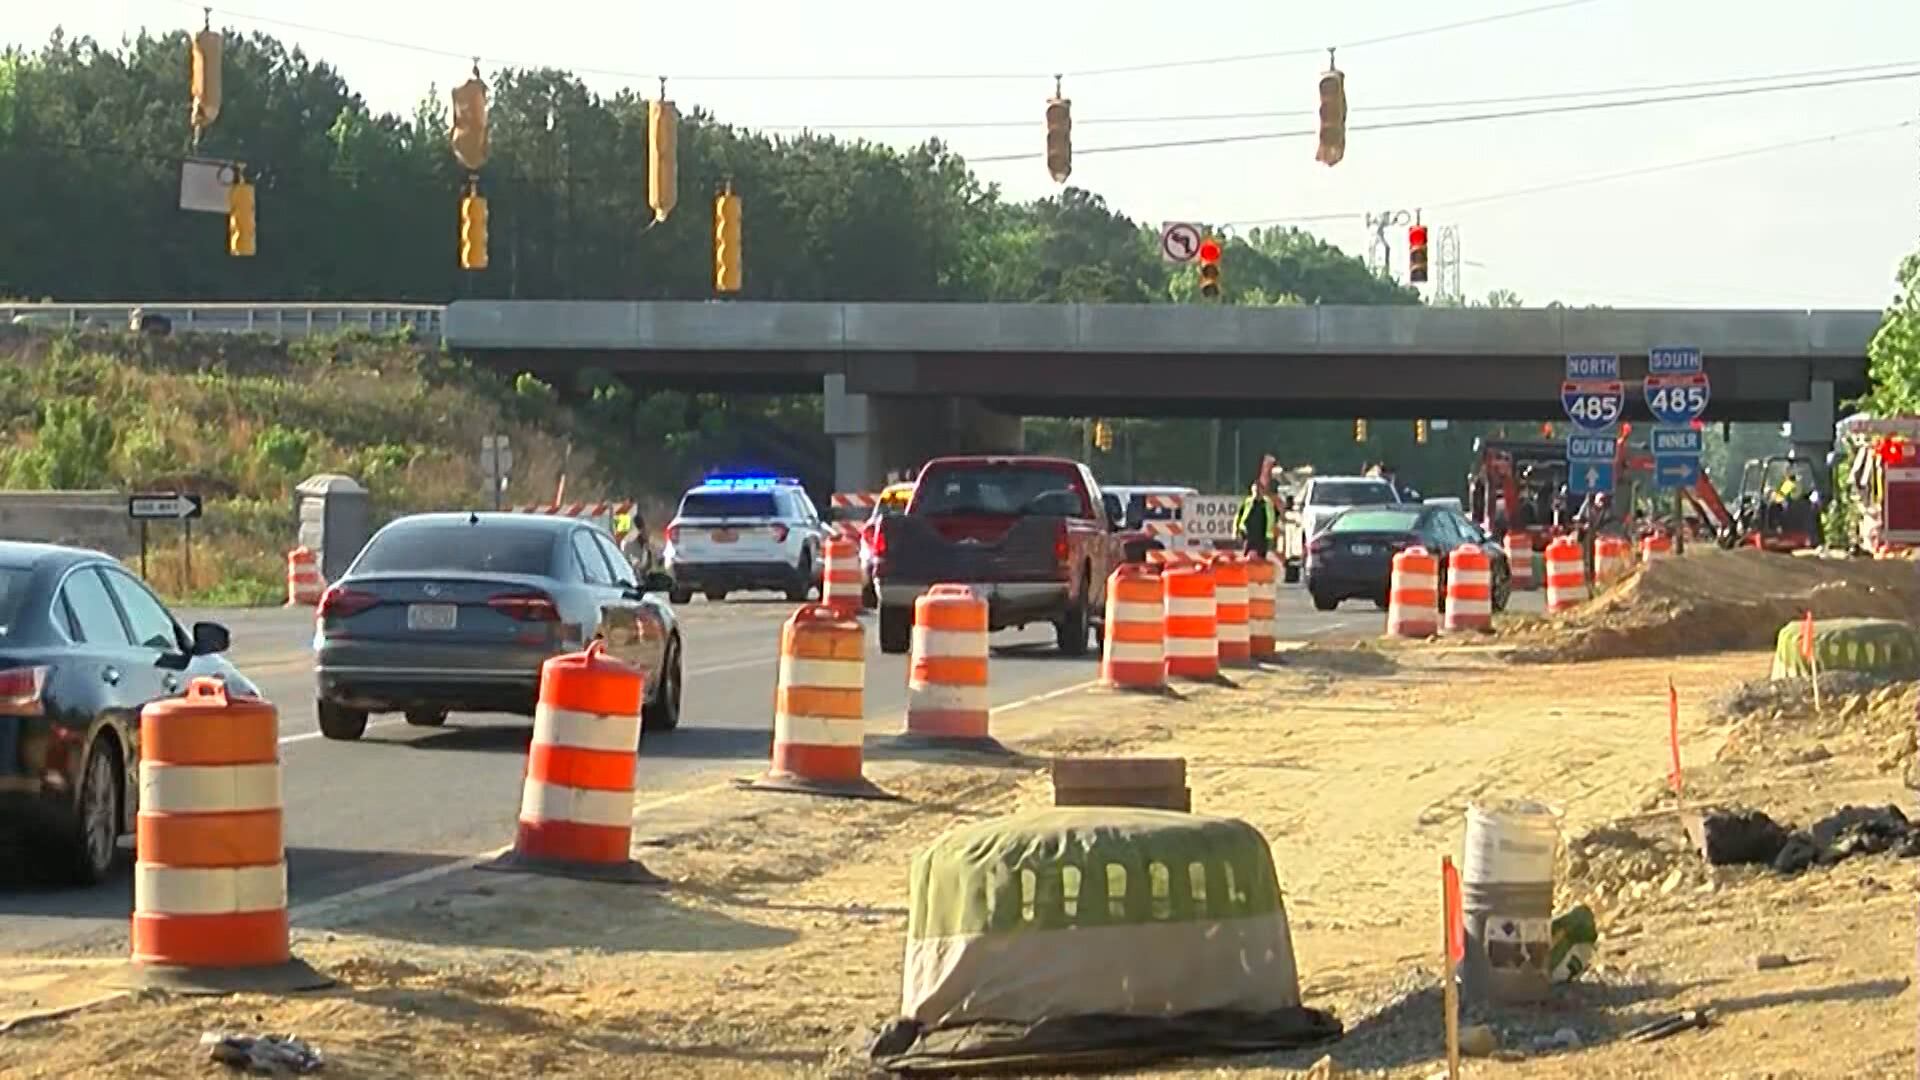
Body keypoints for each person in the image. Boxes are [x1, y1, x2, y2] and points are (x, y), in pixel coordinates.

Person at [1235, 483, 1273, 558]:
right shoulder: (1247, 502)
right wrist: (1237, 531)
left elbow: (1273, 517)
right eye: (1255, 490)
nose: (1257, 492)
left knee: (1261, 558)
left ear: (1263, 491)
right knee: (1246, 556)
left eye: (1259, 490)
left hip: (1262, 537)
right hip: (1249, 535)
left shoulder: (1268, 503)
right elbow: (1238, 517)